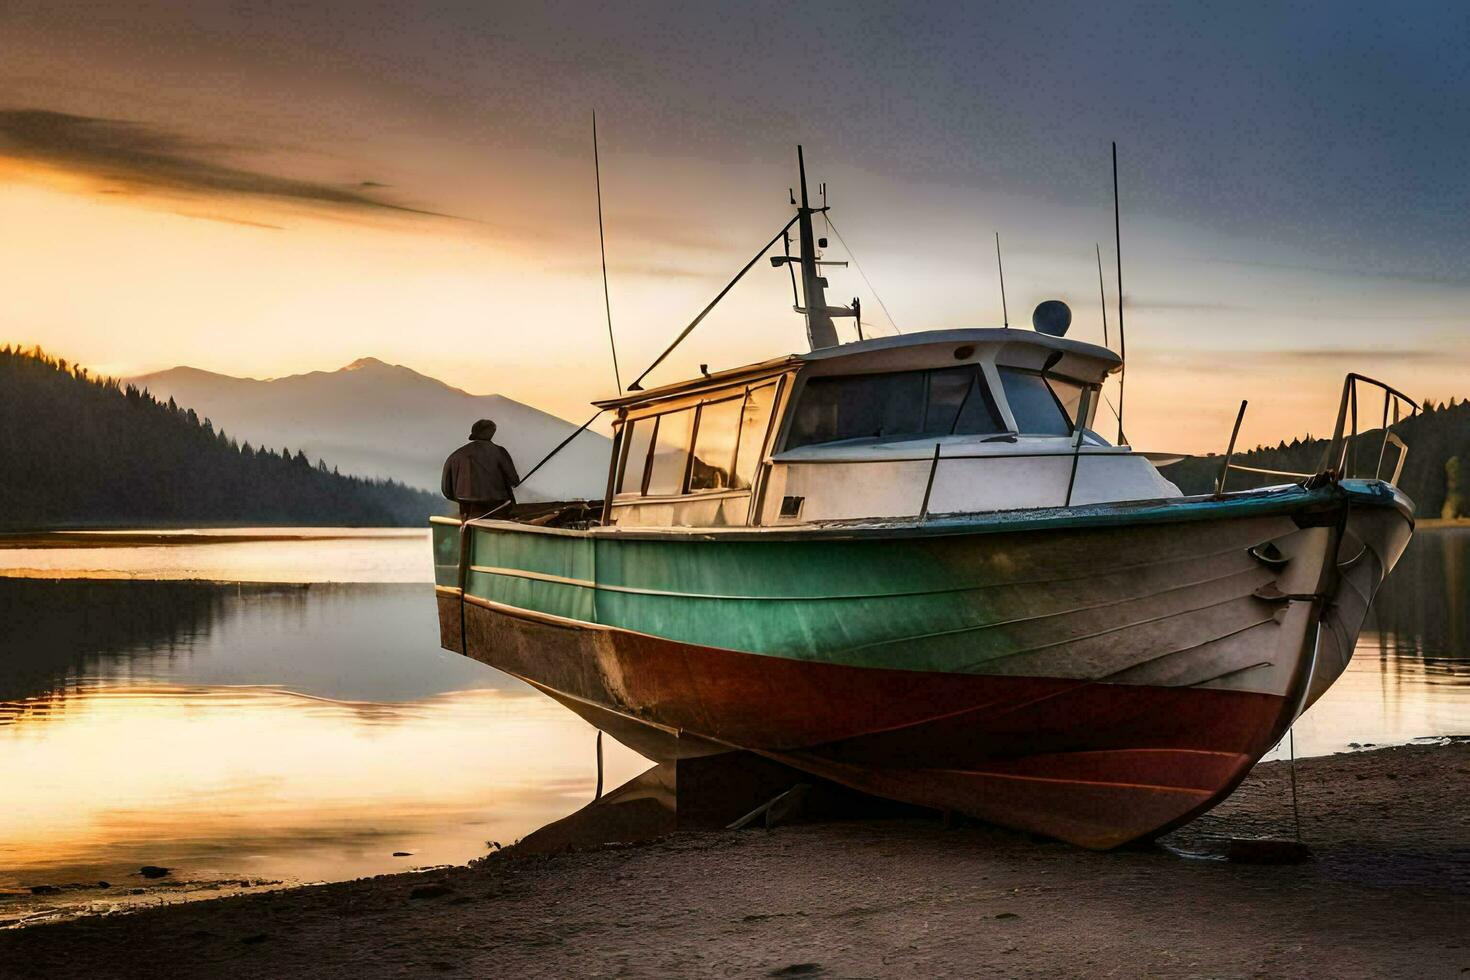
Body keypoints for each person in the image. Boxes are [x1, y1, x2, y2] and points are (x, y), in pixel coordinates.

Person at [441, 419, 520, 519]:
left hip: (468, 513)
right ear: (491, 433)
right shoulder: (499, 452)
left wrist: (464, 498)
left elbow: (446, 490)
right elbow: (514, 481)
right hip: (499, 511)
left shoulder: (455, 456)